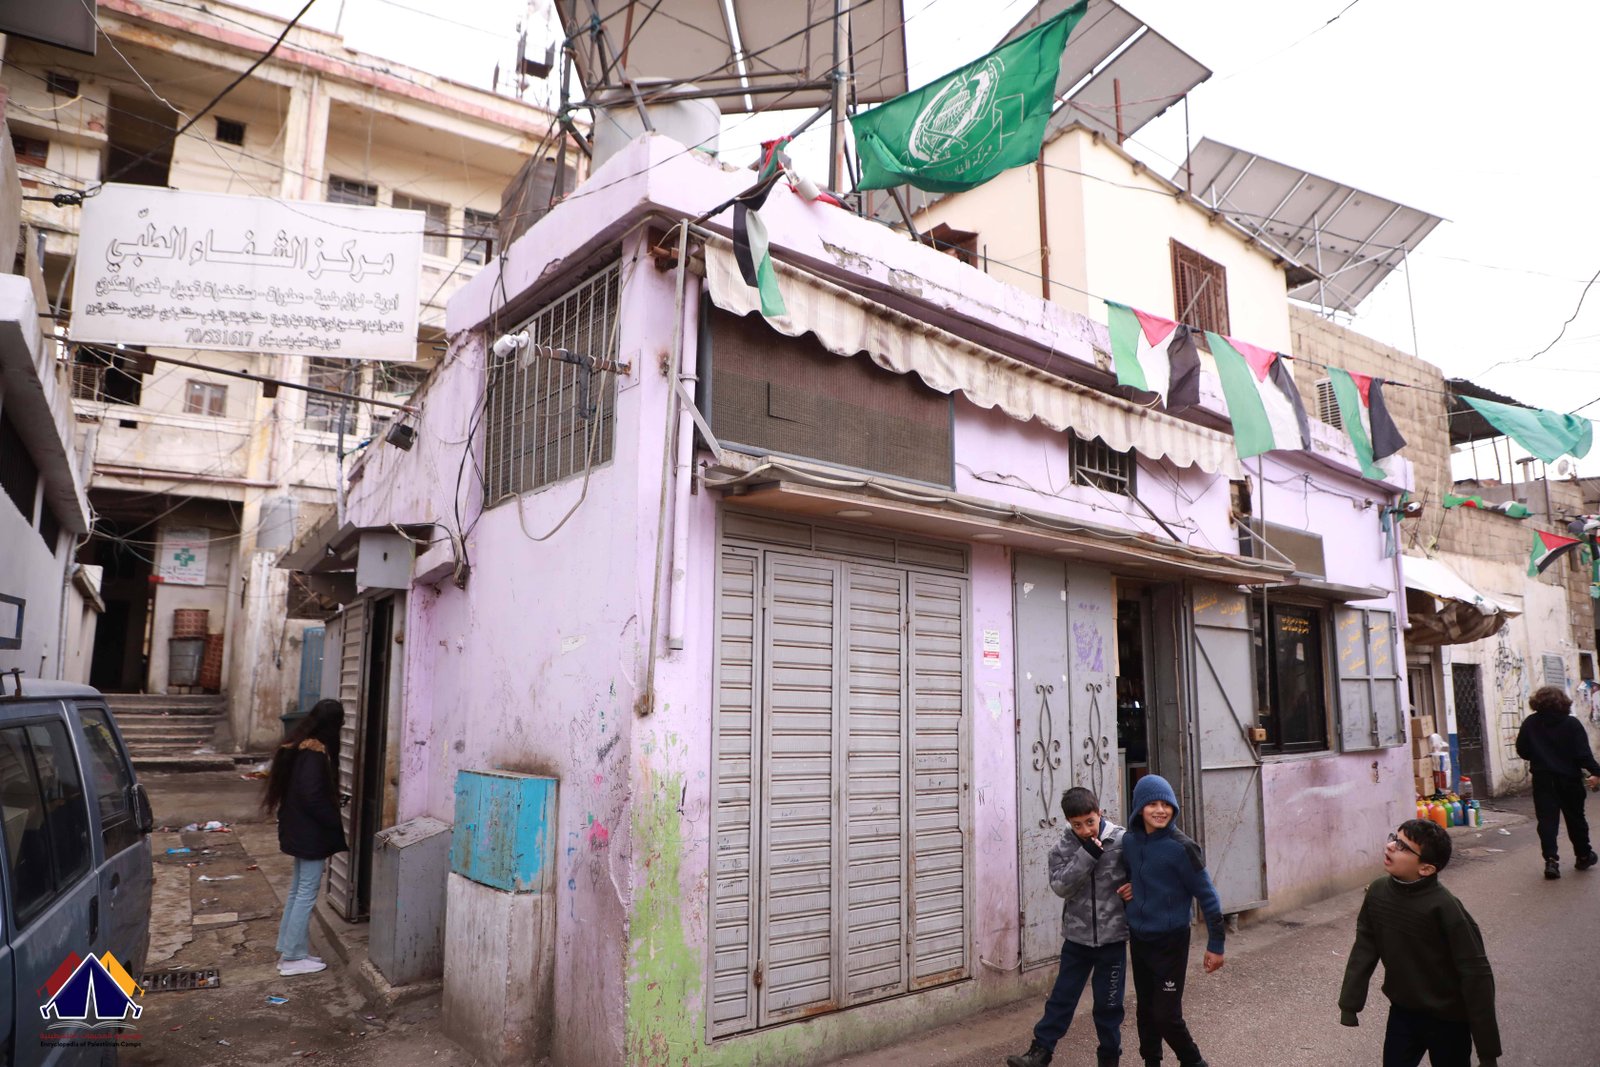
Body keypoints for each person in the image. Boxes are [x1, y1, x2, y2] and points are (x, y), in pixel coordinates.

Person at [1338, 818, 1500, 1067]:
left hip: (1450, 1020)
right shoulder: (1378, 892)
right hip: (1403, 1013)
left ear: (1426, 869)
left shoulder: (1446, 908)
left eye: (1403, 847)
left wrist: (1487, 1051)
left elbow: (1476, 974)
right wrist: (1350, 1003)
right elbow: (1365, 947)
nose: (1390, 846)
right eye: (1394, 838)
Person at [1006, 786, 1129, 1067]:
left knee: (1109, 1005)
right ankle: (1040, 1053)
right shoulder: (1062, 848)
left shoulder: (1122, 841)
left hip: (1112, 939)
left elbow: (1140, 872)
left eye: (1090, 821)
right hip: (1077, 939)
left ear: (1099, 813)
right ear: (1068, 822)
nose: (1085, 829)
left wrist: (1134, 886)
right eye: (1077, 824)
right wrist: (1087, 854)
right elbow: (1061, 886)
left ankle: (1109, 1058)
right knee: (1062, 998)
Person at [1120, 774, 1223, 1067]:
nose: (1160, 810)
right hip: (1140, 938)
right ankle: (1151, 1061)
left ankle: (1195, 1062)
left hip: (1170, 941)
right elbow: (1136, 874)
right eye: (1152, 804)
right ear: (1139, 807)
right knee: (1145, 1010)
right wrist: (1129, 888)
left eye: (1166, 804)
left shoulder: (1183, 848)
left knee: (1166, 1015)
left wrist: (1216, 944)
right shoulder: (1129, 842)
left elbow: (1209, 897)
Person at [261, 699, 348, 976]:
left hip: (298, 829)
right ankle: (293, 957)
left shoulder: (297, 748)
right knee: (306, 893)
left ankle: (289, 949)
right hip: (310, 834)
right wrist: (333, 819)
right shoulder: (314, 754)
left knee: (298, 890)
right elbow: (312, 795)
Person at [1513, 684, 1600, 879]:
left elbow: (1522, 750)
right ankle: (1583, 855)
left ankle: (1551, 861)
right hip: (1570, 780)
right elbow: (1583, 754)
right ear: (1562, 701)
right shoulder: (1572, 724)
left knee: (1547, 821)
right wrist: (1596, 772)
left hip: (1543, 780)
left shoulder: (1530, 723)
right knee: (1576, 818)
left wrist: (1539, 755)